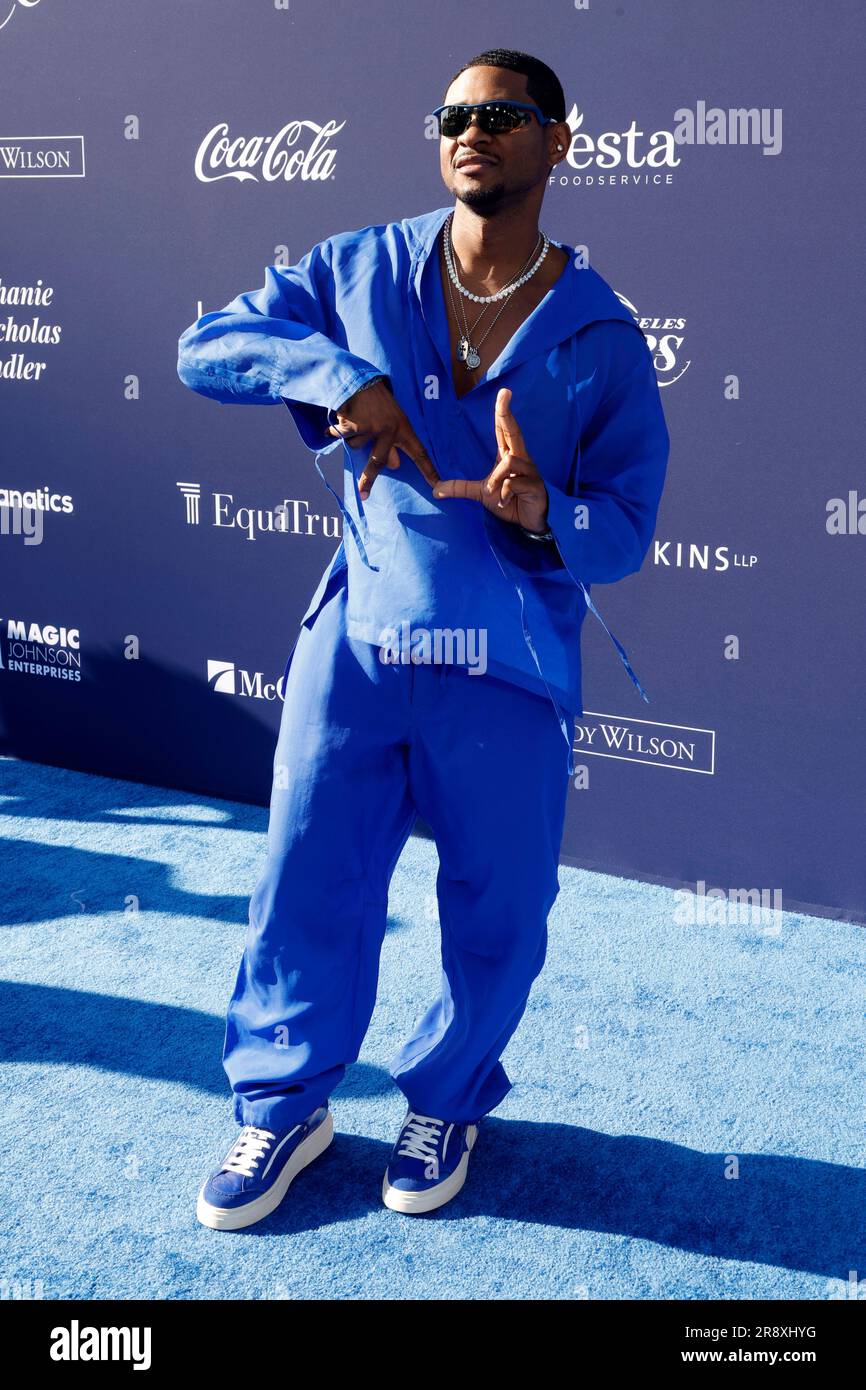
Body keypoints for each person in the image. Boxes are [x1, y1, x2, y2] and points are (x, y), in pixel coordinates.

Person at [177, 47, 669, 1229]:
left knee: (498, 905)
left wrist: (544, 507)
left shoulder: (599, 335)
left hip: (504, 663)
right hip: (355, 642)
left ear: (558, 141)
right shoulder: (356, 268)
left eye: (501, 114)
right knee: (304, 875)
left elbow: (629, 521)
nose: (471, 130)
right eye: (454, 113)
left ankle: (446, 1096)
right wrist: (343, 378)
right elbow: (207, 348)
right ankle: (286, 1101)